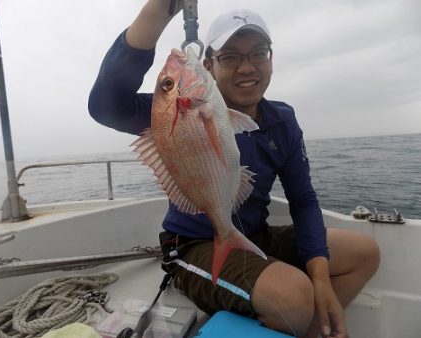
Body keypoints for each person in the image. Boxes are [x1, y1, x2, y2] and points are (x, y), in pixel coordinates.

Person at [88, 1, 380, 337]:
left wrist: (320, 276)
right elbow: (106, 105)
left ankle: (315, 329)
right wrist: (159, 10)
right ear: (209, 65)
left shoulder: (282, 120)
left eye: (258, 53)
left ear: (270, 59)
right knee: (294, 295)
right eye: (230, 57)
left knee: (363, 252)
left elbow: (302, 199)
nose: (247, 67)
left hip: (253, 234)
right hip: (193, 244)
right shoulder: (174, 112)